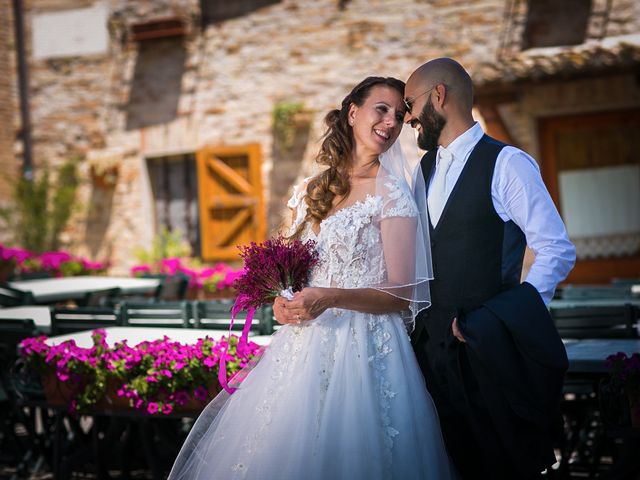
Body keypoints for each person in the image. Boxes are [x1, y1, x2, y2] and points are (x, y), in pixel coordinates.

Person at [168, 77, 455, 479]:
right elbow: (291, 271)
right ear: (353, 112)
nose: (391, 122)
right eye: (382, 109)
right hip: (301, 347)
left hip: (366, 350)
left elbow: (402, 294)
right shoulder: (308, 191)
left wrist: (330, 297)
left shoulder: (393, 194)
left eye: (399, 114)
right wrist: (279, 303)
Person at [404, 57, 577, 480]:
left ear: (438, 96)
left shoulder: (507, 163)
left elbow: (555, 250)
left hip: (483, 350)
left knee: (500, 465)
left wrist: (502, 318)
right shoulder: (421, 171)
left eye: (410, 103)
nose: (408, 117)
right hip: (428, 352)